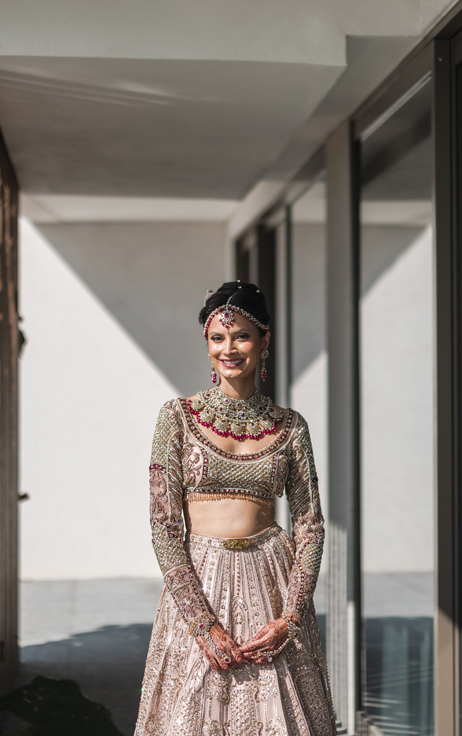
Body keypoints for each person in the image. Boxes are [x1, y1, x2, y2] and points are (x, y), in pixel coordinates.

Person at [134, 281, 335, 736]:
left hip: (272, 581)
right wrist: (203, 626)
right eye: (218, 338)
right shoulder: (177, 417)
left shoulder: (290, 426)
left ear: (264, 341)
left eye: (242, 335)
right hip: (199, 583)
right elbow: (164, 528)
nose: (229, 348)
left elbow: (310, 526)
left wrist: (291, 618)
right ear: (207, 345)